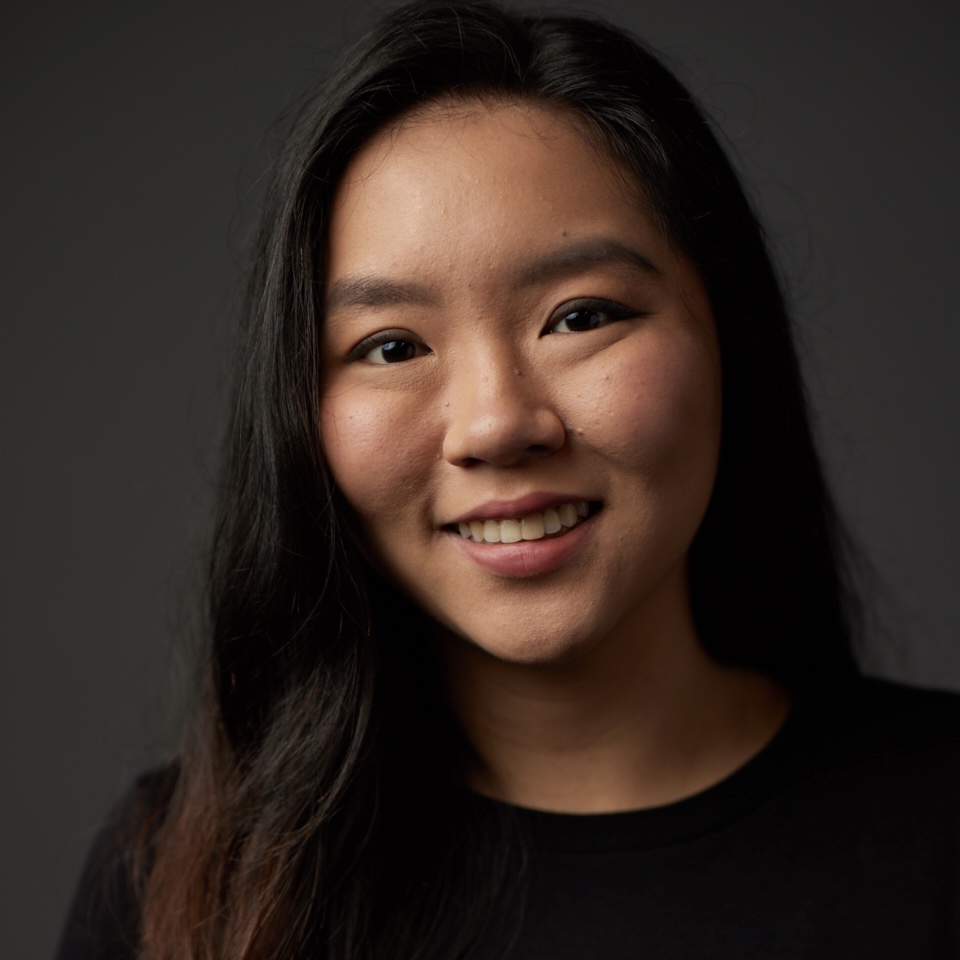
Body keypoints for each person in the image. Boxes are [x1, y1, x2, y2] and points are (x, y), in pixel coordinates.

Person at [56, 1, 960, 958]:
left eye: (579, 317)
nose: (496, 425)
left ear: (727, 330)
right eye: (392, 345)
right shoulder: (185, 878)